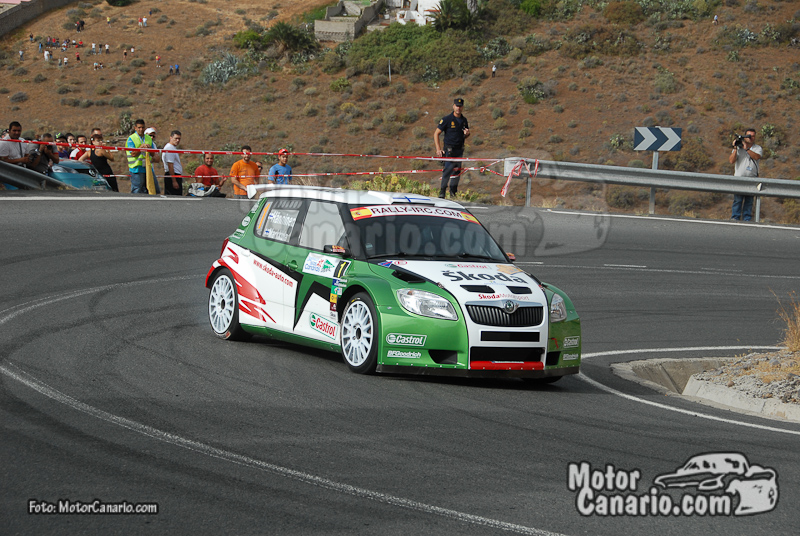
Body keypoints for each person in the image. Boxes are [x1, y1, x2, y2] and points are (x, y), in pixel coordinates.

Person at [433, 97, 470, 198]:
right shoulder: (447, 119)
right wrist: (438, 149)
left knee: (456, 172)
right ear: (453, 106)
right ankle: (442, 192)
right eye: (457, 106)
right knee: (447, 170)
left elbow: (465, 135)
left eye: (460, 106)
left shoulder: (464, 120)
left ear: (462, 107)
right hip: (449, 150)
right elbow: (436, 133)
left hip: (459, 150)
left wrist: (467, 134)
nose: (458, 108)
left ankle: (453, 194)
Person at [728, 128, 762, 222]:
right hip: (739, 179)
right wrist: (735, 148)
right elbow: (731, 161)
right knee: (737, 200)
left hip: (752, 179)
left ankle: (747, 219)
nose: (750, 138)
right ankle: (735, 218)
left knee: (749, 201)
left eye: (752, 136)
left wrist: (746, 148)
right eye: (748, 136)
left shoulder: (757, 148)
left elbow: (756, 157)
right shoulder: (739, 148)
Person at [126, 119, 154, 194]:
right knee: (137, 189)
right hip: (136, 168)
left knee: (147, 190)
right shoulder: (131, 138)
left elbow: (153, 154)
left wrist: (150, 149)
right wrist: (141, 147)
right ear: (135, 128)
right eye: (139, 127)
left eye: (142, 127)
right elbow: (133, 154)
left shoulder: (148, 138)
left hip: (147, 168)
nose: (141, 129)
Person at [162, 130, 183, 195]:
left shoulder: (172, 148)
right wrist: (174, 181)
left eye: (179, 139)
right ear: (171, 138)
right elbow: (170, 165)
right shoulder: (169, 148)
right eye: (176, 138)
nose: (177, 140)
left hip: (175, 175)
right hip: (173, 175)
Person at [144, 127, 161, 194]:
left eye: (153, 136)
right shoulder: (143, 143)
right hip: (142, 169)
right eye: (150, 135)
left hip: (151, 170)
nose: (152, 137)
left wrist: (152, 157)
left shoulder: (153, 145)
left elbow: (157, 159)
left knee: (155, 190)